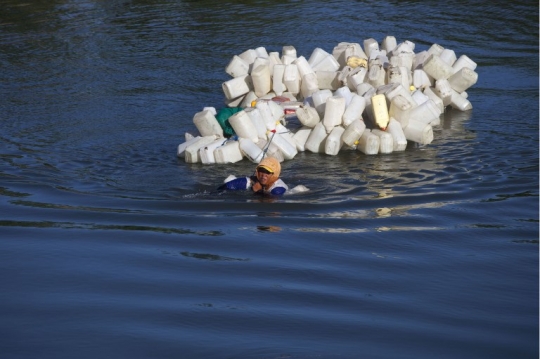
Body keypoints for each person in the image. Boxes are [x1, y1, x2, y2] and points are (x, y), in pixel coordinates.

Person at [217, 156, 288, 195]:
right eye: (261, 171)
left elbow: (270, 202)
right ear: (257, 172)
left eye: (267, 172)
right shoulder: (253, 181)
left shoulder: (278, 189)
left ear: (274, 175)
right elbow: (229, 186)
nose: (263, 175)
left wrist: (259, 191)